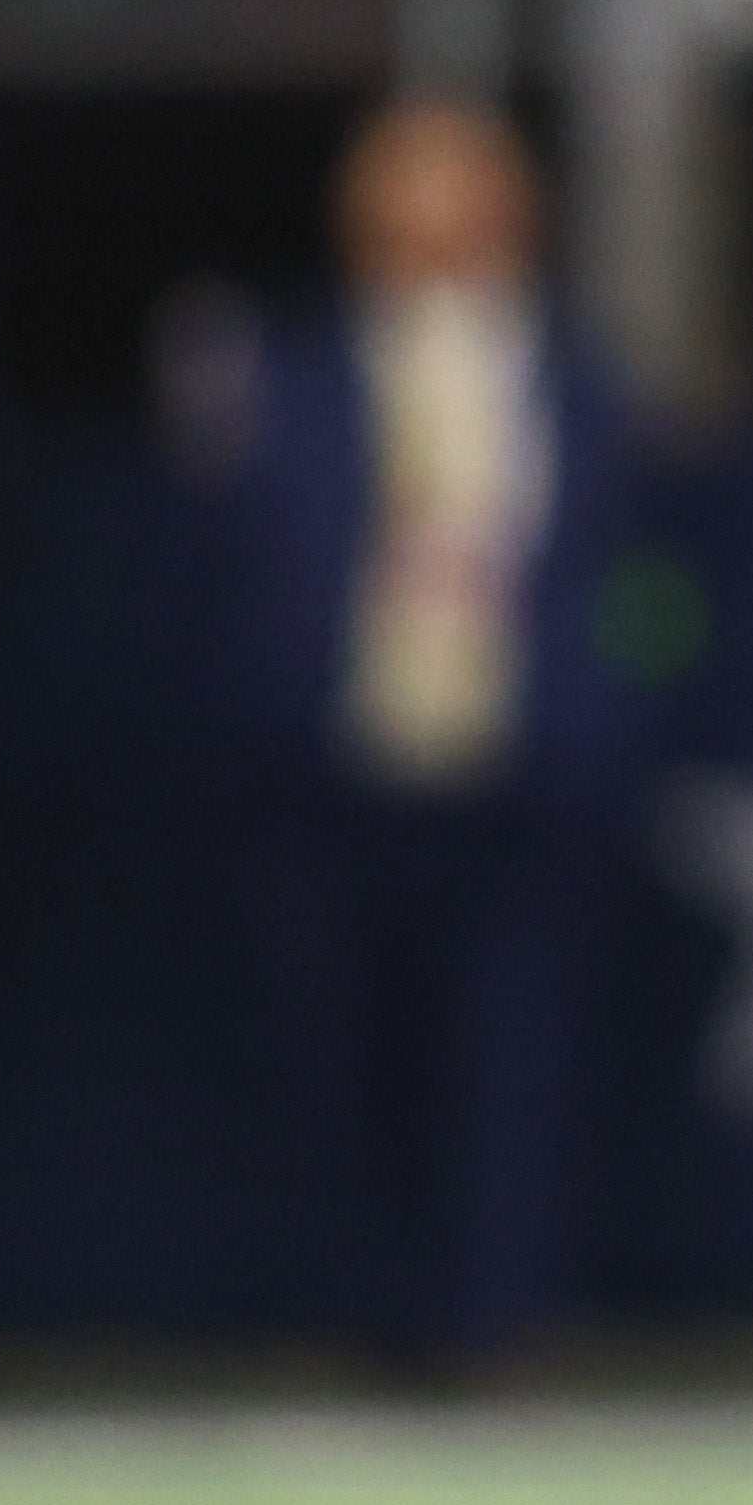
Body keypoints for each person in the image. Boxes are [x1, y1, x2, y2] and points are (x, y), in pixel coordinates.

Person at [215, 99, 643, 1373]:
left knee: (517, 1065)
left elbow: (650, 591)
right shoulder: (279, 378)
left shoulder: (589, 383)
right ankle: (367, 1330)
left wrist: (613, 711)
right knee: (342, 1064)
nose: (436, 242)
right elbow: (234, 572)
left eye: (462, 212)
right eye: (406, 213)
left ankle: (497, 1329)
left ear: (516, 221)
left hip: (529, 779)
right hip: (330, 779)